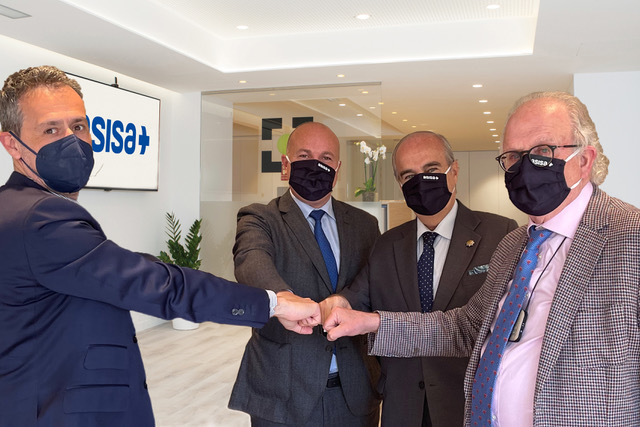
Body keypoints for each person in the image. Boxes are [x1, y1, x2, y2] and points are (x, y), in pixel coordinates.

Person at [0, 65, 320, 427]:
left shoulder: (16, 208)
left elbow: (106, 269)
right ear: (12, 143)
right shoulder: (40, 217)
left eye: (78, 126)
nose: (71, 141)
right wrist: (273, 303)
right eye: (50, 130)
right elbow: (151, 284)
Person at [323, 91, 640, 427]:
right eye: (513, 156)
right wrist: (371, 323)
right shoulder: (515, 244)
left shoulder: (630, 239)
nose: (524, 167)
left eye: (542, 151)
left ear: (585, 159)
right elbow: (465, 327)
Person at [320, 131, 518, 427]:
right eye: (409, 175)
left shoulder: (501, 234)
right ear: (400, 183)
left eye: (431, 170)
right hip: (403, 405)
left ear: (454, 172)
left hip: (469, 403)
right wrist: (337, 303)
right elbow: (357, 295)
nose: (421, 182)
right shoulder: (386, 245)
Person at [228, 121, 381, 426]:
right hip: (282, 393)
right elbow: (251, 261)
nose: (315, 165)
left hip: (355, 391)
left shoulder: (365, 225)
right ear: (285, 165)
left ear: (337, 169)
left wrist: (345, 302)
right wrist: (283, 299)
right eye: (304, 156)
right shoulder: (260, 217)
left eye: (325, 158)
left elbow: (373, 283)